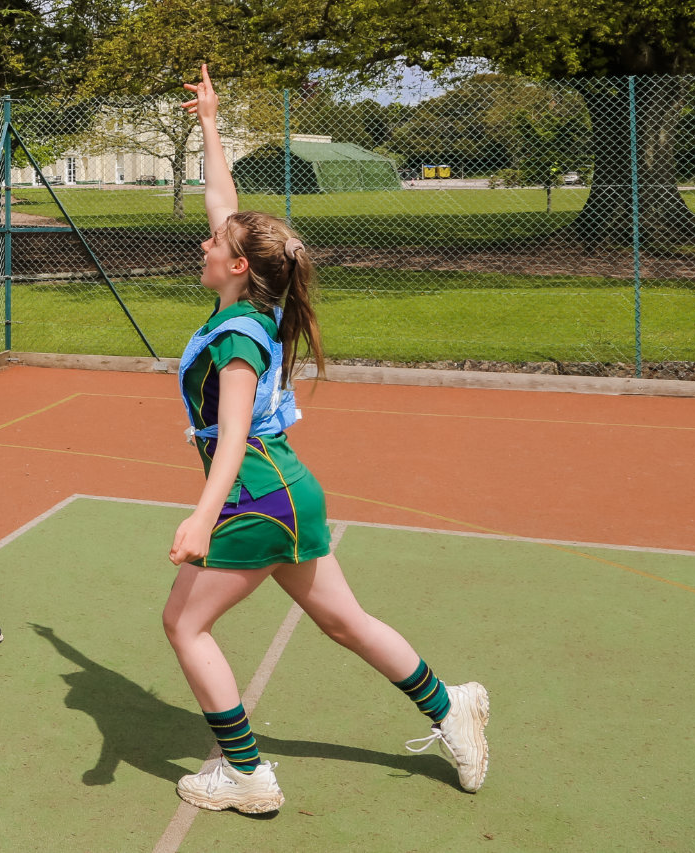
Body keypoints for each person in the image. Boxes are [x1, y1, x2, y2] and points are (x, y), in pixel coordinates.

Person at [162, 64, 489, 813]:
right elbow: (226, 203)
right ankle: (451, 704)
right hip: (290, 489)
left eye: (215, 243)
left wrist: (202, 516)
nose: (204, 244)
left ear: (237, 267)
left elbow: (236, 435)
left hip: (255, 493)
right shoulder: (257, 303)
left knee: (183, 622)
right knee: (346, 621)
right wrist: (210, 122)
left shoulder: (240, 333)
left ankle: (245, 773)